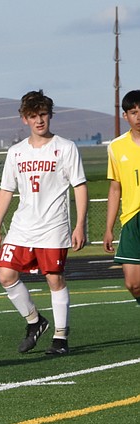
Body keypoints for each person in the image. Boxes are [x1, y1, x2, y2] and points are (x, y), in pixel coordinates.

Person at [0, 90, 87, 356]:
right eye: (33, 116)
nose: (39, 120)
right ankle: (35, 321)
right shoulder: (16, 152)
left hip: (54, 226)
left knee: (54, 279)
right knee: (5, 274)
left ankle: (60, 338)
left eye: (43, 114)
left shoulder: (65, 147)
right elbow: (6, 190)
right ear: (24, 119)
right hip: (22, 227)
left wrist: (80, 225)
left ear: (50, 115)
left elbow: (79, 186)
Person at [104, 89, 140, 310]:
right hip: (131, 220)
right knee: (133, 283)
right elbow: (115, 189)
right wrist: (109, 228)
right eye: (134, 112)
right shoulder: (116, 147)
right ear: (125, 116)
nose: (139, 117)